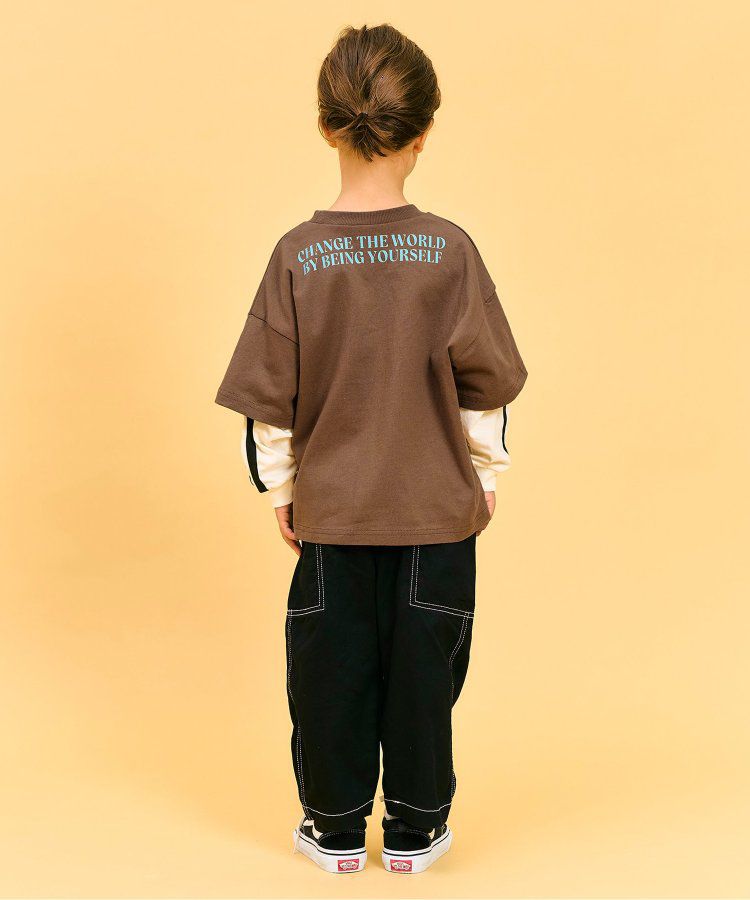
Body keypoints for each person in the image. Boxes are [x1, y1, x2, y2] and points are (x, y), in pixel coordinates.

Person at [216, 23, 527, 875]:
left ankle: (336, 830)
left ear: (326, 125)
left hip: (335, 520)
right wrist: (483, 477)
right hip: (437, 520)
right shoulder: (450, 251)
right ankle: (418, 833)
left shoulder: (297, 255)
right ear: (423, 132)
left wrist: (284, 492)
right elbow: (487, 385)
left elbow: (268, 401)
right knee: (425, 678)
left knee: (331, 676)